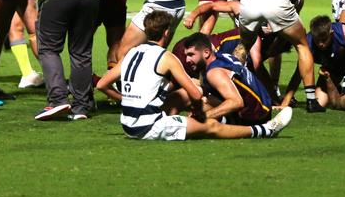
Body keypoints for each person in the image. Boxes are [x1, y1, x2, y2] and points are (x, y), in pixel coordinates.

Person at [96, 11, 292, 141]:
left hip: (127, 124)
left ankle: (203, 120)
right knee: (209, 126)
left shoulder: (132, 52)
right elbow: (196, 95)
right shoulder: (167, 57)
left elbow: (102, 85)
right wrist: (201, 113)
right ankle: (266, 130)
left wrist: (127, 100)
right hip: (149, 127)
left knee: (178, 97)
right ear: (167, 32)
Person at [237, 0, 325, 112]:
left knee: (243, 47)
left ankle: (231, 87)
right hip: (276, 2)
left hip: (249, 0)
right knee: (302, 45)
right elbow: (291, 20)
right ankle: (311, 101)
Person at [181, 32, 273, 125]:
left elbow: (236, 102)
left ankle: (259, 129)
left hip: (254, 117)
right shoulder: (221, 56)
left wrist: (204, 116)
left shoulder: (214, 73)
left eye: (191, 54)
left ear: (206, 53)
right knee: (199, 100)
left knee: (198, 119)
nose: (187, 60)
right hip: (264, 107)